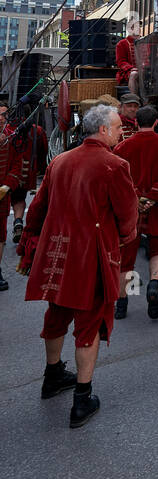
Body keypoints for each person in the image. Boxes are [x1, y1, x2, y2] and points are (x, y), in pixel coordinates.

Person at [17, 104, 139, 428]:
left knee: (56, 314)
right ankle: (82, 400)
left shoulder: (59, 161)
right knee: (90, 324)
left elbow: (36, 209)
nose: (120, 132)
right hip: (91, 257)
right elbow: (128, 217)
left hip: (57, 252)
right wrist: (125, 239)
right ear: (102, 131)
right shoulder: (115, 165)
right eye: (116, 128)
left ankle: (53, 375)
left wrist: (29, 241)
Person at [113, 106, 158, 319]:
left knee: (126, 258)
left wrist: (137, 198)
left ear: (136, 121)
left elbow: (119, 180)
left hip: (131, 209)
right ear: (156, 122)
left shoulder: (122, 147)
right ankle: (153, 284)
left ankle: (122, 304)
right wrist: (152, 197)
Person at [9, 98, 49, 244]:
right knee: (19, 198)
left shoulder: (9, 130)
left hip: (8, 172)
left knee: (10, 199)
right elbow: (43, 150)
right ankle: (18, 220)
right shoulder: (37, 130)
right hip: (25, 172)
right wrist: (40, 168)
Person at [0, 99, 24, 291]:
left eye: (3, 115)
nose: (0, 119)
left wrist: (7, 186)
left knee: (0, 236)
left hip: (2, 194)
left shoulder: (11, 137)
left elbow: (17, 165)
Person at [115, 14, 142, 96]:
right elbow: (121, 62)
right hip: (128, 72)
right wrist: (132, 69)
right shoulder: (122, 43)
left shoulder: (145, 42)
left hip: (144, 70)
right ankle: (134, 99)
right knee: (134, 74)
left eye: (139, 26)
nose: (139, 28)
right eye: (135, 26)